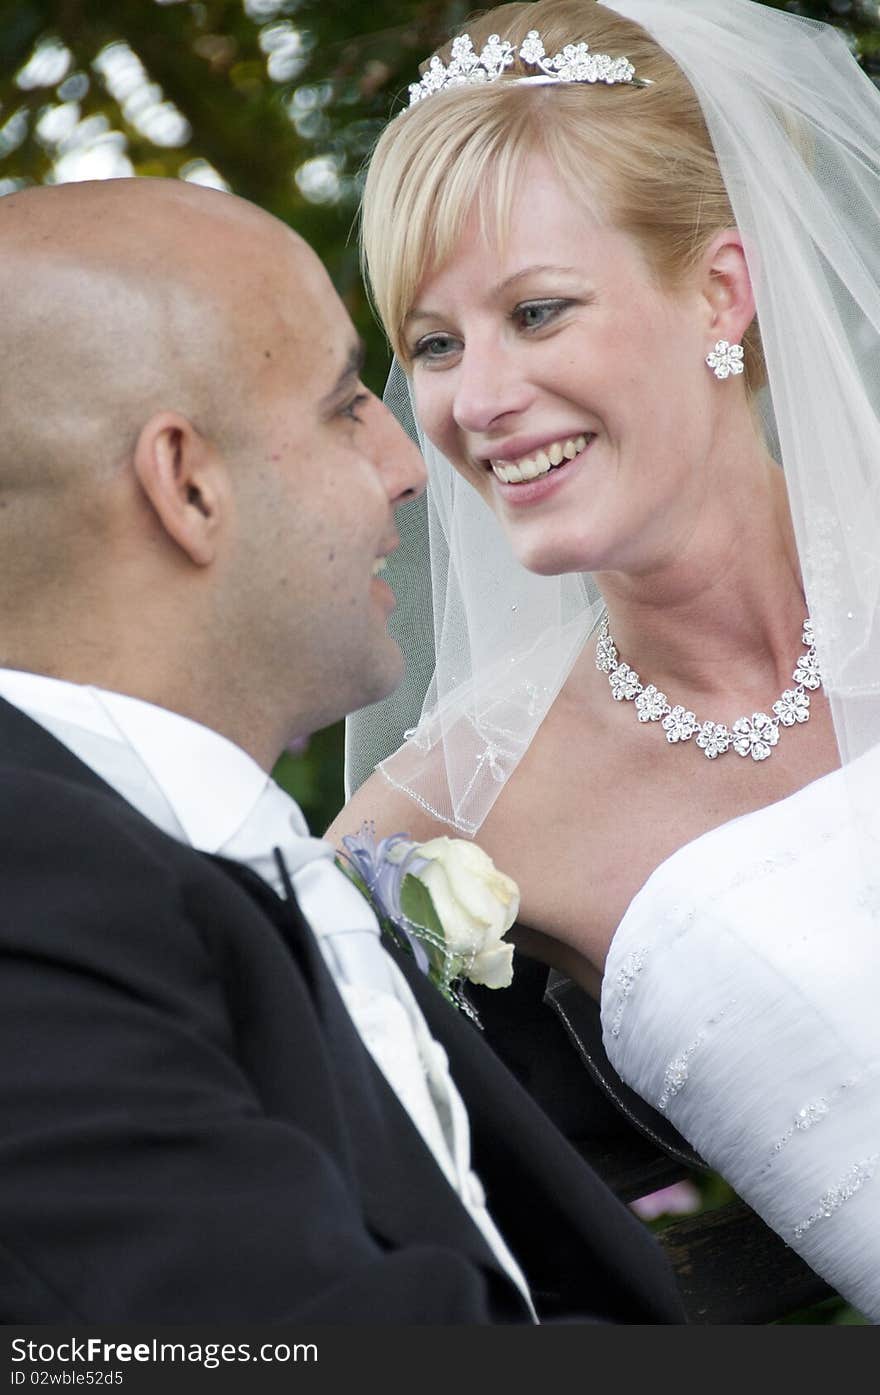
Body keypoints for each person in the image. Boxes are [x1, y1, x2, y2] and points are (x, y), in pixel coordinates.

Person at [0, 174, 687, 1325]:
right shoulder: (31, 904)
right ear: (188, 485)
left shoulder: (177, 857)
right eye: (339, 407)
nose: (412, 465)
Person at [331, 0, 880, 1322]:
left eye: (538, 310)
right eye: (436, 344)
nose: (477, 402)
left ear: (721, 290)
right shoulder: (443, 817)